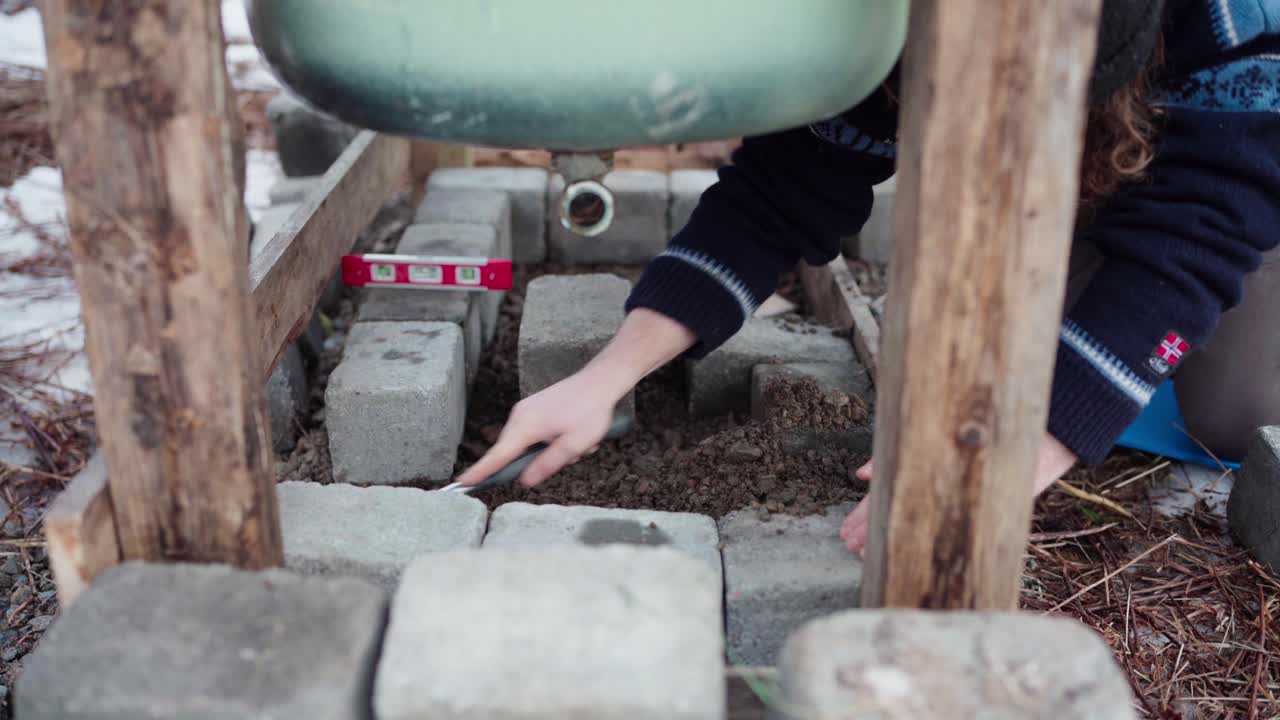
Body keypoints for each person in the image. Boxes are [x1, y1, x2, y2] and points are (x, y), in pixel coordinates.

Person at [458, 0, 1280, 553]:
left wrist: (1035, 439)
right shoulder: (876, 25)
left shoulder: (1232, 22)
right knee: (1017, 345)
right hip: (1094, 152)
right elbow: (776, 198)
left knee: (1231, 414)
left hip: (1247, 157)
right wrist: (604, 378)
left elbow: (1201, 227)